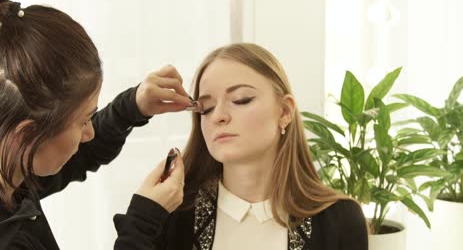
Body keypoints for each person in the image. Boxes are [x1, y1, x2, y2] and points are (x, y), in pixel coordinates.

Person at [115, 43, 369, 249]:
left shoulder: (341, 220)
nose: (219, 116)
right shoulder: (171, 216)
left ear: (284, 111)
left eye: (241, 99)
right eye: (206, 108)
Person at [0, 0, 189, 249]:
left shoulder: (12, 176)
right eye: (83, 121)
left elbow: (79, 154)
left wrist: (132, 106)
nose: (89, 133)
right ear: (25, 135)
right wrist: (142, 223)